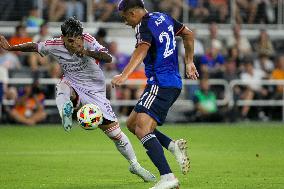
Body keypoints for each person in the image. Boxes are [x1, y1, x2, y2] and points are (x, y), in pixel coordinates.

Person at [0, 17, 155, 183]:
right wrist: (10, 48)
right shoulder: (54, 44)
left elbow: (108, 58)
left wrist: (87, 52)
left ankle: (134, 165)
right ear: (64, 38)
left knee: (116, 134)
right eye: (72, 40)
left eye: (79, 39)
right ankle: (65, 111)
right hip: (72, 81)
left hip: (95, 89)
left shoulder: (88, 41)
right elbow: (34, 46)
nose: (77, 43)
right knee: (62, 86)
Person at [111, 1, 199, 188]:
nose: (125, 22)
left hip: (161, 83)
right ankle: (172, 146)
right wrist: (189, 61)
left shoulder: (143, 25)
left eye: (124, 17)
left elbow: (141, 50)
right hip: (169, 82)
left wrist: (124, 75)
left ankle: (168, 177)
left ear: (133, 13)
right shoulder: (163, 17)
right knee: (133, 124)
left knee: (143, 129)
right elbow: (188, 34)